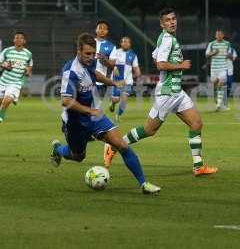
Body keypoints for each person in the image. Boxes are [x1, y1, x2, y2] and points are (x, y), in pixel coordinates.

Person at [103, 8, 218, 177]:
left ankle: (198, 166)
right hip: (167, 93)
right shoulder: (167, 40)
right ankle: (113, 146)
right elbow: (160, 64)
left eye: (173, 19)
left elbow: (155, 56)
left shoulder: (165, 38)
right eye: (168, 20)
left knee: (196, 124)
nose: (172, 22)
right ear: (162, 24)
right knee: (149, 130)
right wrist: (181, 65)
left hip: (177, 92)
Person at [50, 33, 160, 194]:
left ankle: (144, 184)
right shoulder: (71, 71)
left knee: (122, 145)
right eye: (87, 54)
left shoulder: (90, 62)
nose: (90, 57)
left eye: (92, 54)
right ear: (78, 51)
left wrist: (114, 83)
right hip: (75, 122)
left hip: (96, 117)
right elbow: (66, 101)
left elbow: (96, 74)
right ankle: (58, 150)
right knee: (78, 156)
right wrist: (89, 110)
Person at [0, 32, 33, 136]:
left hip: (15, 83)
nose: (19, 39)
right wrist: (4, 65)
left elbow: (29, 68)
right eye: (17, 38)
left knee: (5, 103)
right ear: (14, 40)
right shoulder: (7, 51)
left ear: (24, 41)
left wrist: (28, 72)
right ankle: (13, 99)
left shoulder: (28, 54)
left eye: (21, 38)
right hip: (3, 82)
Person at [108, 36, 141, 121]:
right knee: (116, 99)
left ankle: (118, 115)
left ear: (130, 44)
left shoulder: (133, 56)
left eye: (127, 42)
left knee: (124, 100)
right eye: (123, 41)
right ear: (120, 43)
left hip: (127, 82)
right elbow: (110, 63)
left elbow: (137, 71)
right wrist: (114, 68)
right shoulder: (115, 52)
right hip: (116, 81)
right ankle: (113, 103)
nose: (125, 43)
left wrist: (133, 76)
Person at [206, 29, 231, 111]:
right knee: (215, 85)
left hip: (223, 68)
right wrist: (214, 53)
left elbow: (230, 55)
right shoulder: (212, 44)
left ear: (223, 35)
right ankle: (216, 98)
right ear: (215, 35)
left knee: (221, 83)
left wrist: (228, 55)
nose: (218, 36)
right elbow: (207, 55)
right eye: (217, 34)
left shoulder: (227, 44)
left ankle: (219, 104)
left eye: (220, 34)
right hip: (214, 69)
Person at [94, 20, 116, 97]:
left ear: (107, 31)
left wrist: (105, 59)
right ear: (96, 30)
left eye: (105, 29)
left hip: (103, 80)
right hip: (88, 78)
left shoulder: (111, 46)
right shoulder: (89, 42)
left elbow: (113, 64)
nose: (102, 30)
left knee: (97, 105)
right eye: (100, 28)